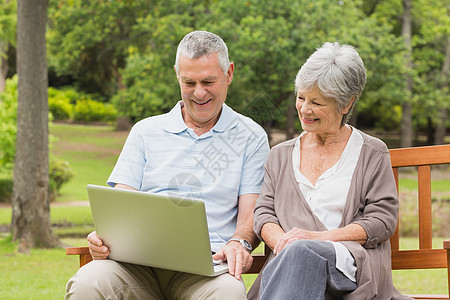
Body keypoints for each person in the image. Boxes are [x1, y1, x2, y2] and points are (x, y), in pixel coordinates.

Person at [66, 30, 269, 300]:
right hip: (135, 267)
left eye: (208, 81)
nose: (199, 93)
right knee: (88, 282)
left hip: (206, 272)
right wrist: (102, 238)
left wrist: (239, 243)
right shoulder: (145, 132)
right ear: (177, 74)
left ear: (229, 73)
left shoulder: (251, 137)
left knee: (228, 295)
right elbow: (119, 203)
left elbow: (249, 216)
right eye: (189, 82)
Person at [247, 42, 412, 300]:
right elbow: (263, 214)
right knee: (298, 256)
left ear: (346, 104)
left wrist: (318, 239)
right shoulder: (279, 155)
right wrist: (285, 244)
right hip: (289, 267)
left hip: (347, 266)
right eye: (301, 97)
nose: (304, 109)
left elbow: (382, 221)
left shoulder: (372, 152)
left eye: (316, 102)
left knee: (303, 253)